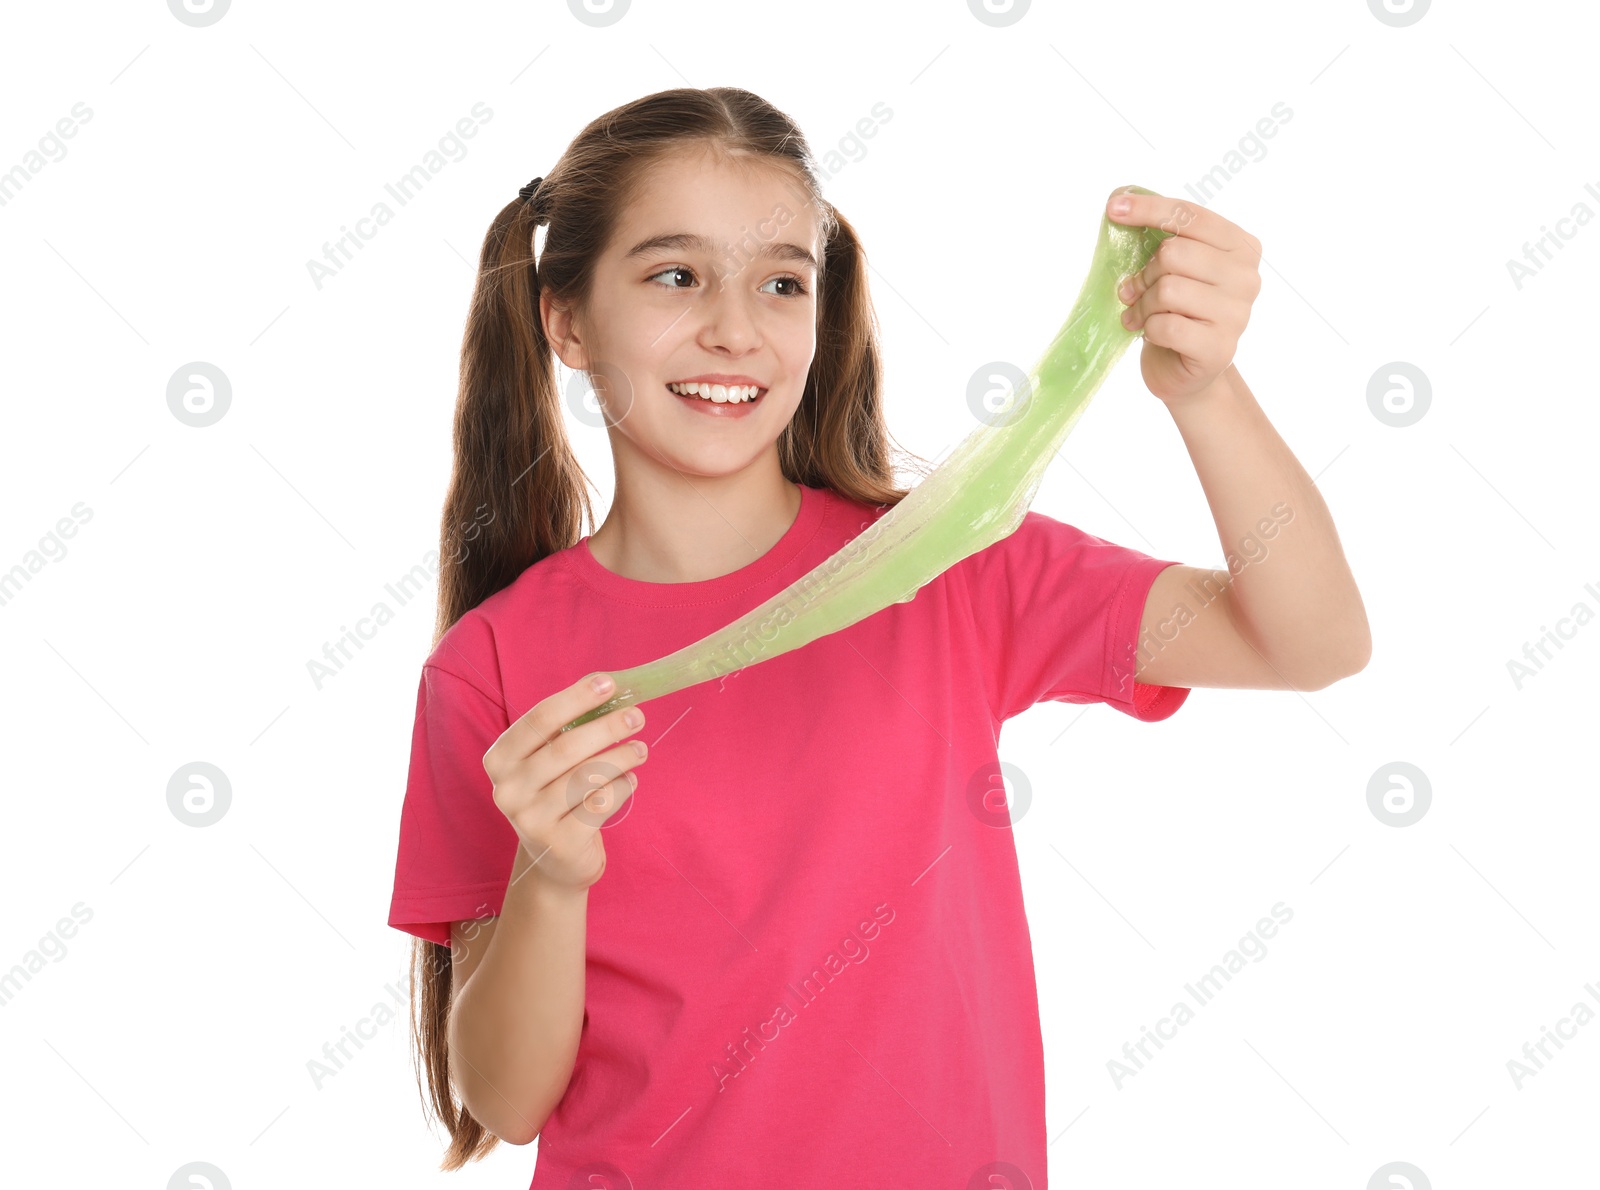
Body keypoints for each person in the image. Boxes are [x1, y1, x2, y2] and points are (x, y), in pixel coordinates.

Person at [385, 86, 1370, 1186]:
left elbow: (1309, 640)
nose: (734, 326)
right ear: (565, 321)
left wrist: (1205, 390)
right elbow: (506, 1099)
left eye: (780, 283)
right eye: (675, 275)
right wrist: (551, 880)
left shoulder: (946, 568)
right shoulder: (494, 665)